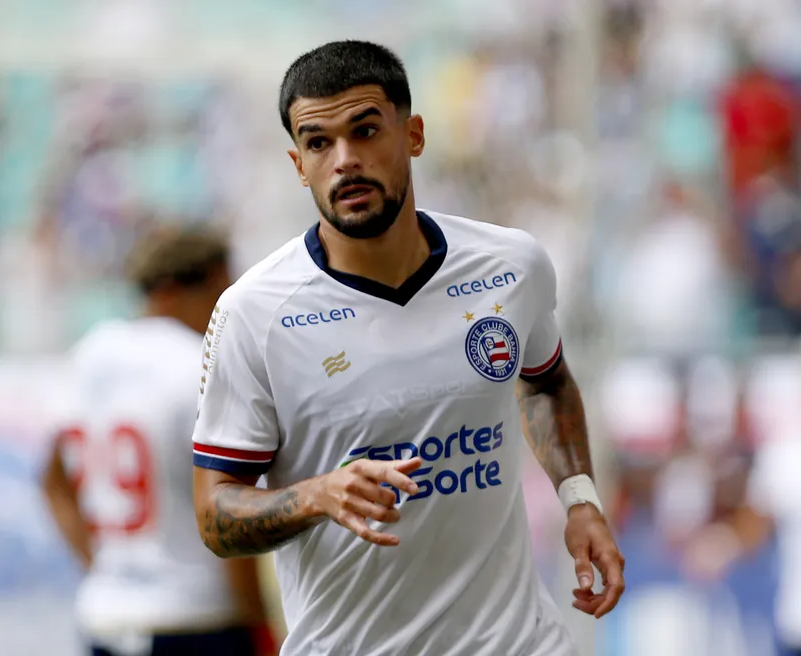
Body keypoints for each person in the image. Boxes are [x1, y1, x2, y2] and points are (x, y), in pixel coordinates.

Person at [191, 40, 625, 656]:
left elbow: (546, 381)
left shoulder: (510, 266)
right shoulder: (254, 313)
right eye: (318, 142)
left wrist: (580, 501)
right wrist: (316, 495)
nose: (345, 160)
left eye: (365, 131)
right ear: (298, 164)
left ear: (413, 135)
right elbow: (214, 515)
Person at [42, 225, 278, 656]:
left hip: (106, 616)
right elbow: (228, 509)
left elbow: (53, 481)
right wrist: (259, 625)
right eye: (221, 292)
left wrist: (103, 567)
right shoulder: (198, 366)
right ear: (176, 289)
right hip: (198, 619)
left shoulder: (89, 355)